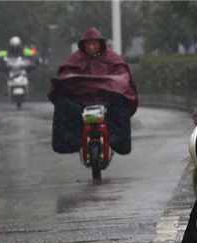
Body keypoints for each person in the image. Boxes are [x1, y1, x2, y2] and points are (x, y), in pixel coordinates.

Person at [48, 27, 138, 155]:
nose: (91, 47)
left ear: (100, 45)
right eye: (88, 44)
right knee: (61, 102)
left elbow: (122, 76)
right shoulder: (76, 59)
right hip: (81, 103)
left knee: (122, 103)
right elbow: (65, 76)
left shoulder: (112, 58)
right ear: (83, 45)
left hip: (107, 102)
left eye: (94, 44)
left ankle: (118, 142)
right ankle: (70, 142)